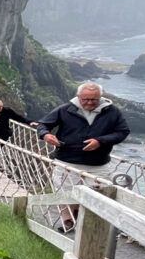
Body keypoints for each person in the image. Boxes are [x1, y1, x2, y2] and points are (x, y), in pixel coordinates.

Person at [37, 81, 130, 230]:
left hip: (98, 164)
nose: (89, 103)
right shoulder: (65, 109)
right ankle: (68, 222)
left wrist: (100, 141)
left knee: (97, 196)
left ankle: (87, 225)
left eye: (94, 99)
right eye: (85, 99)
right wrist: (46, 135)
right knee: (65, 193)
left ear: (100, 97)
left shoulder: (112, 112)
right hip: (67, 161)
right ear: (78, 96)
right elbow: (43, 125)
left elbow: (123, 131)